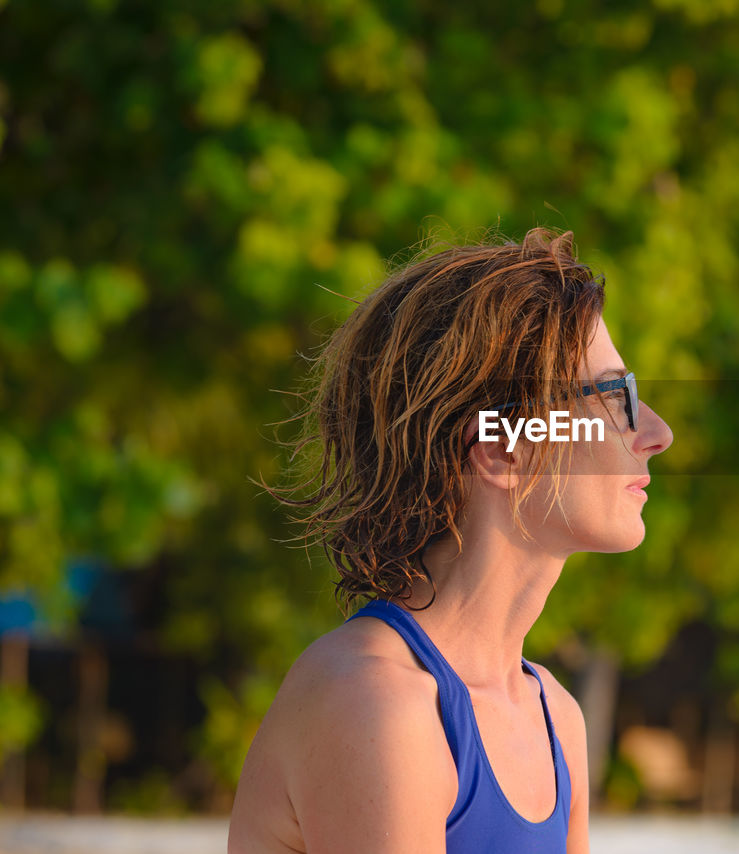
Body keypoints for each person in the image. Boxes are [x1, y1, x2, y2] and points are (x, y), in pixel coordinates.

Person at [227, 227, 674, 853]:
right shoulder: (378, 704)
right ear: (499, 447)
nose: (658, 432)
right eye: (616, 396)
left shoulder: (554, 718)